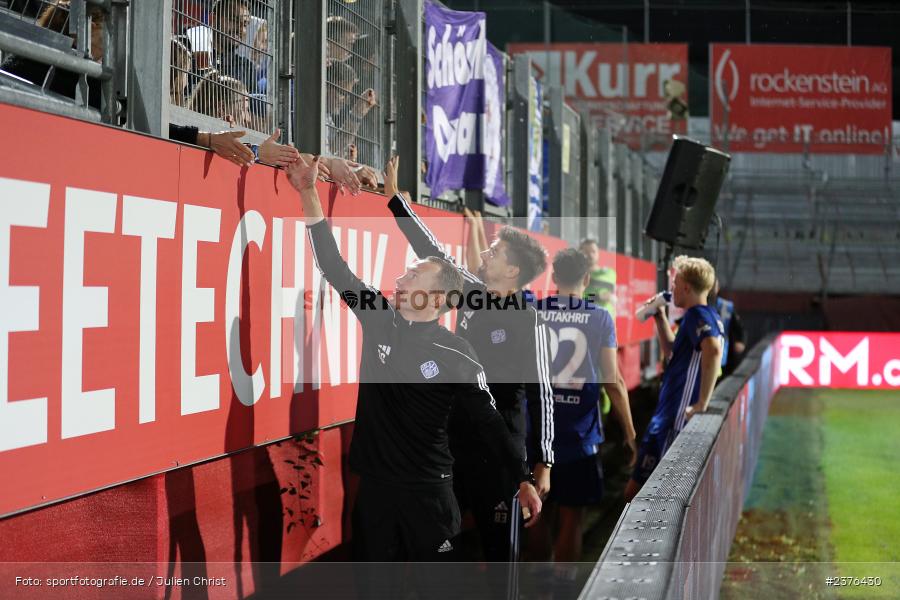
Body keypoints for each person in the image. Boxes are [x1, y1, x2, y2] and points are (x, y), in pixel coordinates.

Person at [284, 155, 542, 562]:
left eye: (411, 276)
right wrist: (308, 190)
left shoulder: (461, 354)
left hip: (432, 498)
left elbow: (492, 422)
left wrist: (524, 477)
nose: (399, 280)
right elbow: (334, 267)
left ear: (437, 299)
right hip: (376, 494)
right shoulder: (378, 317)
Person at [384, 157, 555, 562]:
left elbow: (541, 392)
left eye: (495, 252)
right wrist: (396, 202)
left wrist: (543, 461)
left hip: (499, 452)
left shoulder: (527, 319)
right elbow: (434, 253)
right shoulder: (472, 293)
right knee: (443, 545)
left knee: (501, 557)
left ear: (511, 270)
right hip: (452, 441)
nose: (486, 253)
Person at [530, 249, 637, 564]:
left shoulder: (534, 312)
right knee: (572, 518)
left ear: (553, 277)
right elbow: (612, 381)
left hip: (538, 432)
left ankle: (540, 585)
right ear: (586, 279)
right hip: (580, 435)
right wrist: (629, 432)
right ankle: (562, 590)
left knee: (535, 512)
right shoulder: (600, 317)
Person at [624, 256, 723, 502]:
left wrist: (702, 403)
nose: (672, 290)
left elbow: (713, 349)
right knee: (642, 495)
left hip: (673, 420)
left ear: (687, 287)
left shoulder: (696, 315)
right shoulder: (701, 315)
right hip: (666, 416)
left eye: (675, 284)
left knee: (639, 496)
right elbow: (673, 351)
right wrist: (659, 317)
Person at [710, 280, 746, 377]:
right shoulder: (698, 306)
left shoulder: (726, 307)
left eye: (714, 286)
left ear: (718, 288)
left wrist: (740, 341)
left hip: (724, 354)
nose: (711, 288)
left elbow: (739, 327)